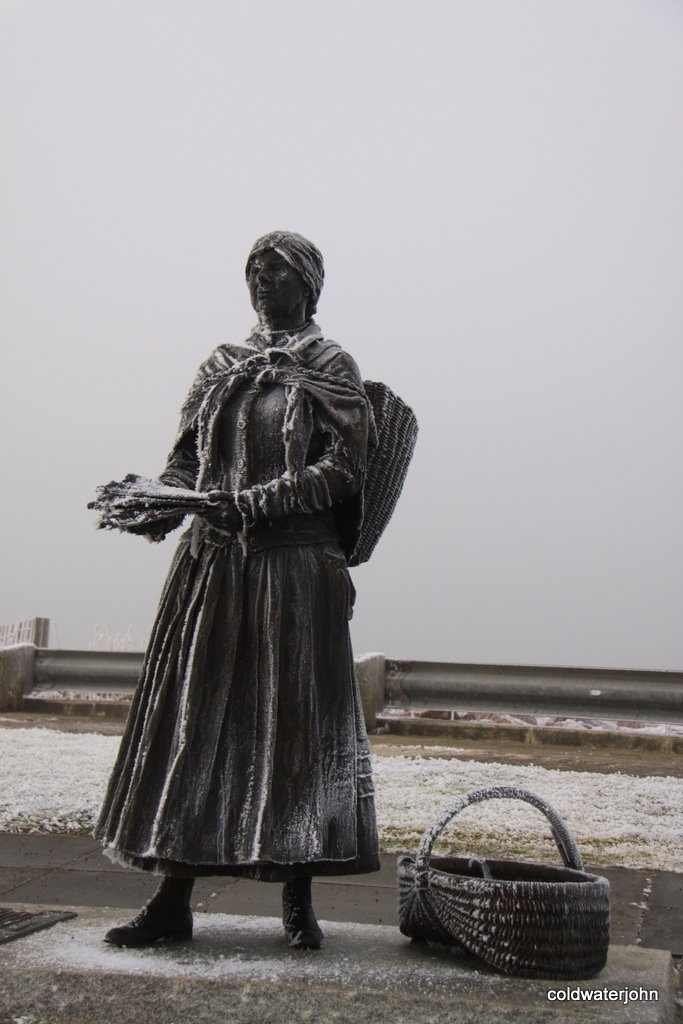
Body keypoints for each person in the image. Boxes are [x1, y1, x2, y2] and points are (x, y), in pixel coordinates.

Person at [93, 231, 381, 951]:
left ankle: (297, 897)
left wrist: (255, 502)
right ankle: (172, 895)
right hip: (213, 569)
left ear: (308, 284)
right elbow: (188, 457)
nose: (261, 282)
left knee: (295, 729)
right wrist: (168, 501)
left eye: (276, 271)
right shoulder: (222, 366)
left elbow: (344, 468)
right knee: (196, 723)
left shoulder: (329, 365)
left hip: (292, 567)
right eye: (253, 270)